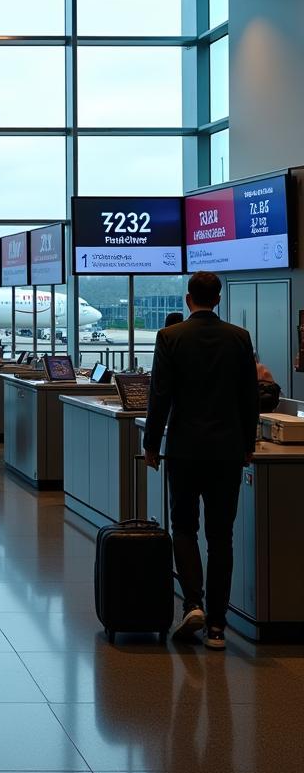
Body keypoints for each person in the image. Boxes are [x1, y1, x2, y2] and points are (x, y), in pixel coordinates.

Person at [144, 271, 258, 651]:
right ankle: (218, 627)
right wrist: (247, 445)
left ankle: (192, 603)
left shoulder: (170, 337)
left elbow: (160, 396)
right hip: (227, 451)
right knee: (221, 536)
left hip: (184, 448)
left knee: (184, 527)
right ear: (219, 299)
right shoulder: (239, 338)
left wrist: (151, 444)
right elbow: (249, 397)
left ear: (188, 298)